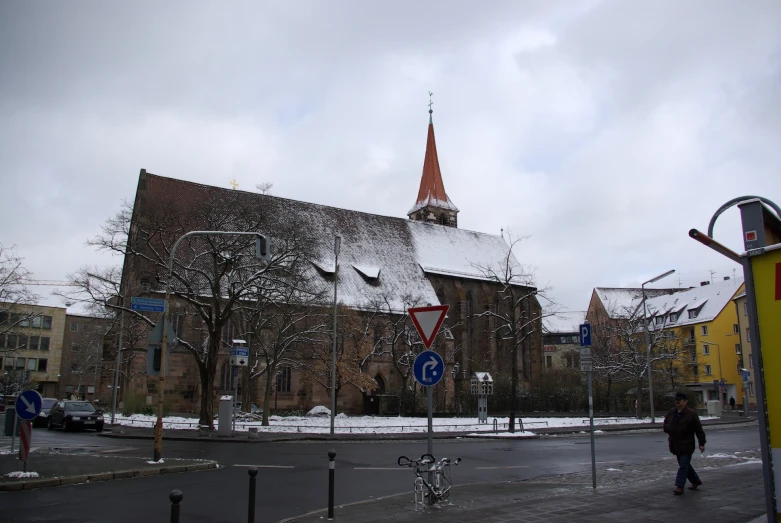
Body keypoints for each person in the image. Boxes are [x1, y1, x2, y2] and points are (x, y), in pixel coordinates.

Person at [663, 392, 706, 495]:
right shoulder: (672, 412)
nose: (677, 402)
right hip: (675, 444)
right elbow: (665, 424)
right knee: (685, 465)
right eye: (676, 400)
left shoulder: (691, 414)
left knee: (683, 465)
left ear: (685, 402)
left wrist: (701, 443)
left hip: (687, 444)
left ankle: (679, 486)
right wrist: (669, 429)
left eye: (680, 400)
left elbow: (699, 430)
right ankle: (695, 480)